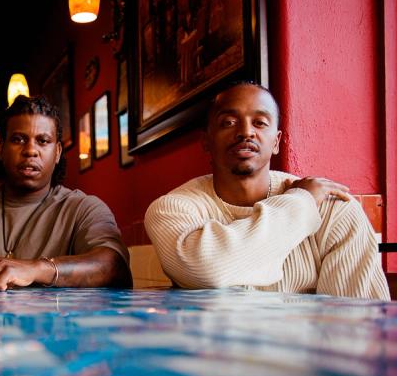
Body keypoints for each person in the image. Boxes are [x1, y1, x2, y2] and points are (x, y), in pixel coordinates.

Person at [144, 81, 389, 299]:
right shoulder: (172, 209)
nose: (246, 132)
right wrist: (300, 203)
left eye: (260, 123)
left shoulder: (333, 210)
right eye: (228, 122)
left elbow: (357, 320)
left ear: (276, 142)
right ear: (206, 140)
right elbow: (206, 269)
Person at [0, 95, 131, 290]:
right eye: (18, 139)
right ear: (0, 148)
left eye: (43, 141)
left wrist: (37, 269)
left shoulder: (83, 209)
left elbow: (114, 265)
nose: (30, 150)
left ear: (57, 153)